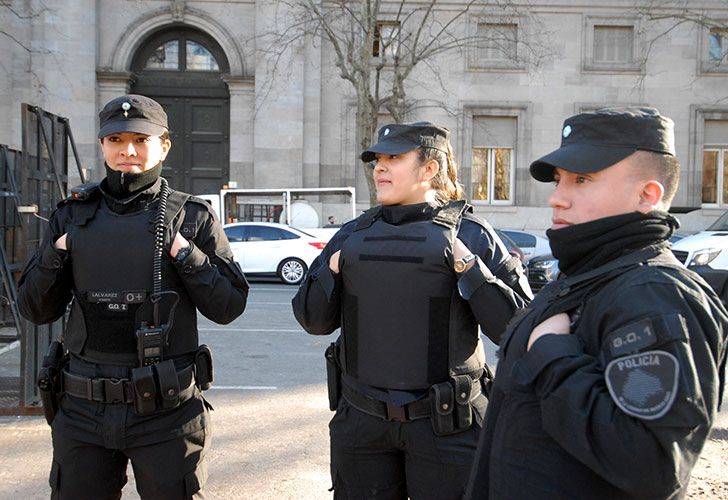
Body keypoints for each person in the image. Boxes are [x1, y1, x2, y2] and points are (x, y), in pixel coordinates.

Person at [466, 107, 728, 499]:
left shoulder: (655, 295)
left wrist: (553, 355)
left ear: (647, 194)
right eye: (558, 180)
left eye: (582, 180)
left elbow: (652, 465)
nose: (556, 198)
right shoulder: (588, 274)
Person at [17, 94, 249, 499]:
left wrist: (185, 254)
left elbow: (228, 306)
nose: (128, 150)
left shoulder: (191, 216)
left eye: (141, 140)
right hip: (82, 408)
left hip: (165, 411)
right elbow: (35, 309)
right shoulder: (72, 215)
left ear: (164, 145)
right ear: (103, 145)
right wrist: (58, 252)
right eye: (117, 139)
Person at [292, 122, 532, 499]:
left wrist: (470, 269)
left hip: (447, 426)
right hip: (362, 426)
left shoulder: (470, 234)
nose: (379, 168)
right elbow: (313, 320)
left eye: (394, 158)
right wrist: (333, 269)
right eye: (376, 160)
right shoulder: (353, 234)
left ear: (430, 169)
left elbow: (519, 332)